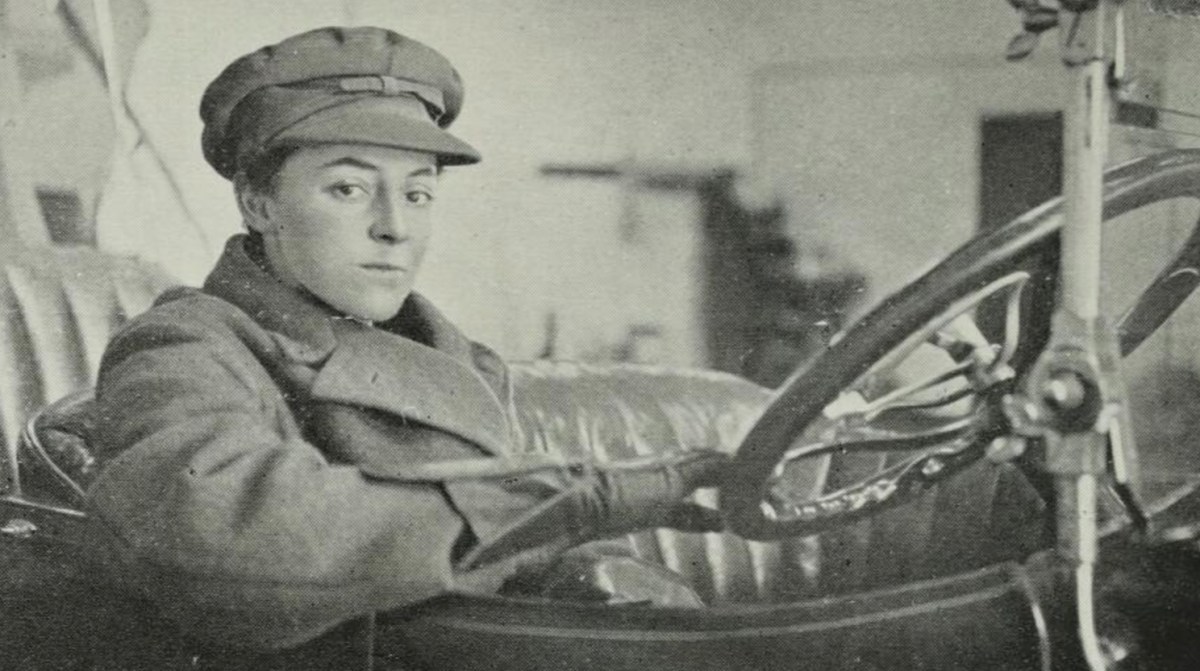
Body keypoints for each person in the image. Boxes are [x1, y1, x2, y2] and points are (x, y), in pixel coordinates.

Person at [83, 26, 729, 663]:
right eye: (350, 189)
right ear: (259, 204)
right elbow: (220, 531)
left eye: (418, 193)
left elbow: (514, 551)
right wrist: (561, 503)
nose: (395, 227)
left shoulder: (462, 363)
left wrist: (605, 572)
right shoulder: (188, 345)